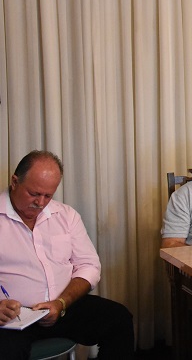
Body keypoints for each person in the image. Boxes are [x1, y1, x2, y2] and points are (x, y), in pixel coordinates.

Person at [0, 151, 134, 359]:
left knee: (119, 318)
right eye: (34, 194)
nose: (41, 203)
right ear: (15, 182)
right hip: (13, 318)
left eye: (48, 195)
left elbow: (89, 265)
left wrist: (61, 303)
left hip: (62, 307)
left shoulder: (65, 215)